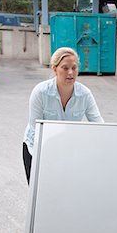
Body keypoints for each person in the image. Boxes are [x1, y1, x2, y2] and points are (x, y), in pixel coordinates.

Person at [23, 47, 104, 183]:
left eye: (74, 67)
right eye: (65, 68)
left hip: (67, 149)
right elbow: (36, 129)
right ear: (55, 69)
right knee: (39, 196)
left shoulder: (85, 94)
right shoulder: (40, 92)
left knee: (66, 195)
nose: (70, 72)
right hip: (36, 148)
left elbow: (99, 125)